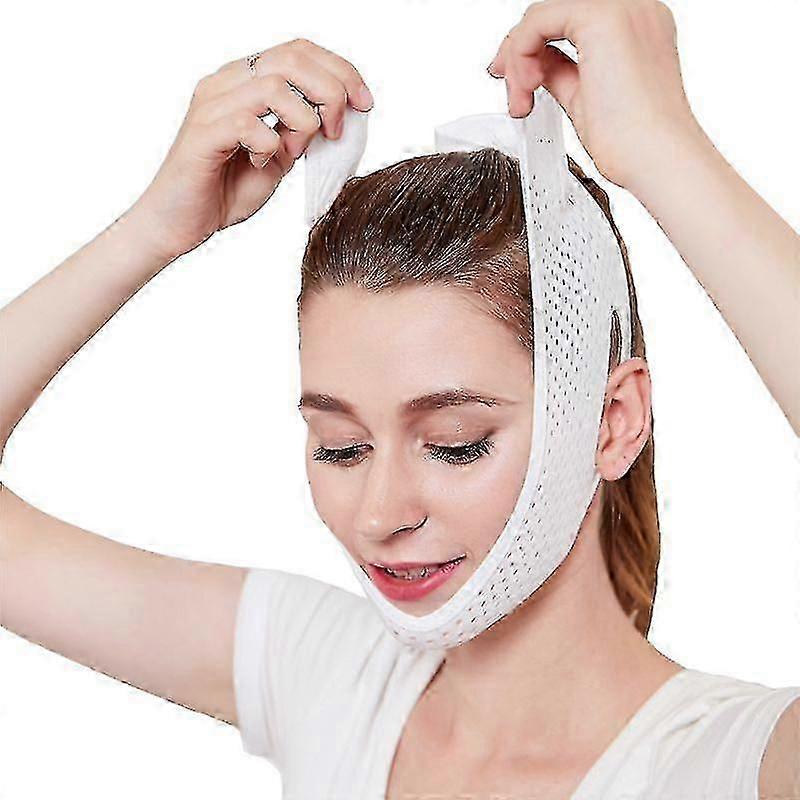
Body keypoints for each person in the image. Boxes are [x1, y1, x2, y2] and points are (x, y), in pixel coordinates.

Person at [0, 1, 798, 798]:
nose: (380, 516)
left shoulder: (729, 764)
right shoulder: (324, 676)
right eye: (341, 446)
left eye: (455, 443)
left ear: (613, 421)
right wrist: (153, 228)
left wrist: (665, 150)